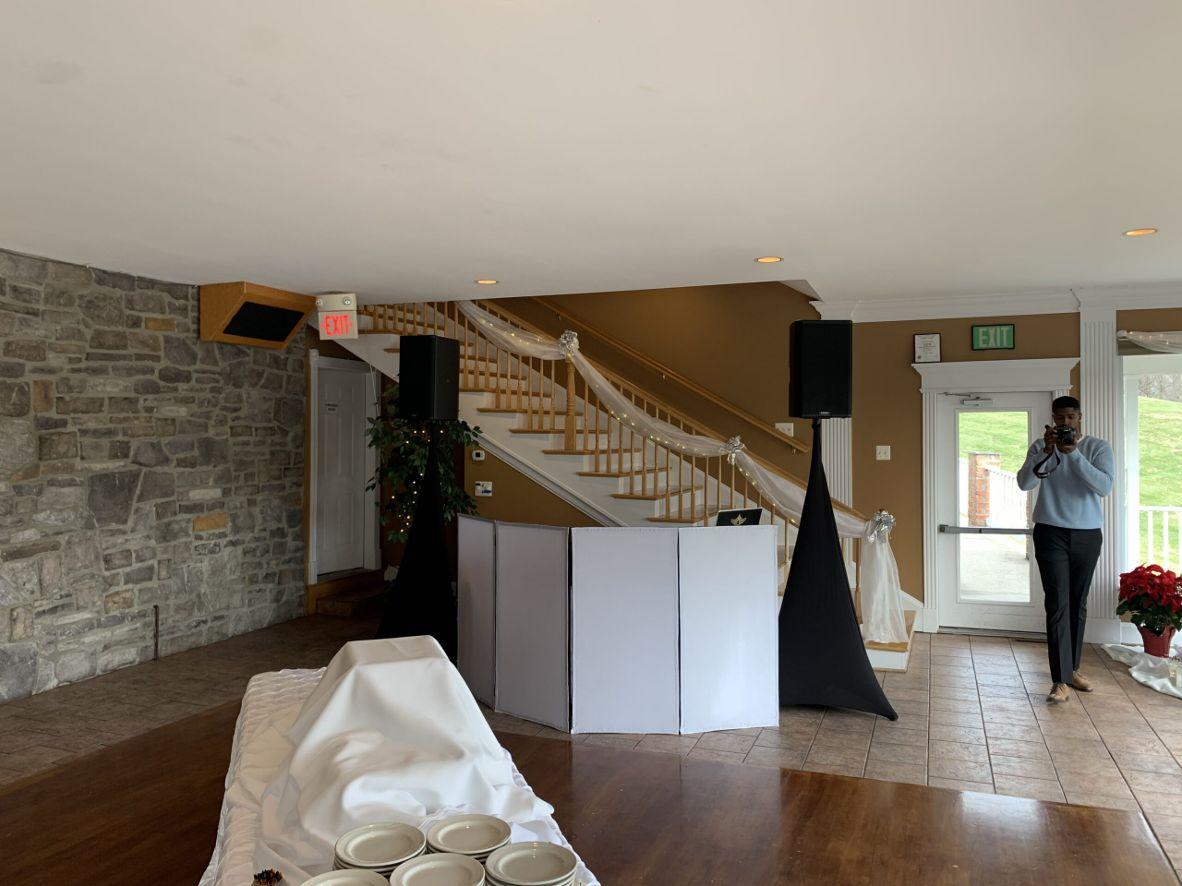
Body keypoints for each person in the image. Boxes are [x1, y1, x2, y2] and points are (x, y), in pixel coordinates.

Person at [1016, 395, 1114, 704]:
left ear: (1079, 417)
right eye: (1060, 418)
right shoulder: (1041, 446)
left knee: (1077, 603)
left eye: (1071, 417)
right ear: (1053, 419)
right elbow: (1024, 483)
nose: (1066, 423)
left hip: (1087, 534)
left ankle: (1072, 670)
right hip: (1050, 532)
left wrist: (1073, 454)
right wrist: (1046, 452)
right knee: (1057, 603)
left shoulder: (1098, 447)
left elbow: (1104, 486)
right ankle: (1060, 680)